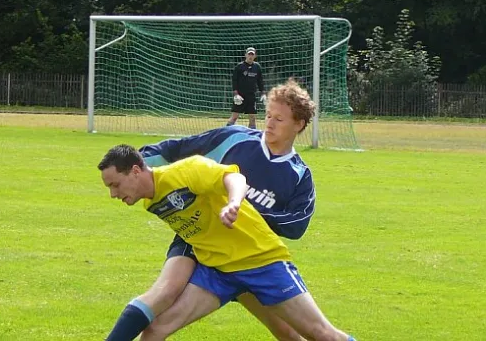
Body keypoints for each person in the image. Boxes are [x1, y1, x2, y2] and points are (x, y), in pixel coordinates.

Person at [105, 79, 321, 341]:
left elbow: (296, 225)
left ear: (299, 125)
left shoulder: (298, 175)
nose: (269, 123)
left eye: (279, 119)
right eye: (267, 116)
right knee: (165, 293)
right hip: (196, 233)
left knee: (286, 332)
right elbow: (179, 147)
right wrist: (133, 167)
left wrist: (242, 210)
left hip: (246, 251)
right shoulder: (235, 138)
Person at [98, 145, 355, 341]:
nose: (113, 194)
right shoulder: (150, 202)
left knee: (320, 335)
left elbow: (235, 179)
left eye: (115, 184)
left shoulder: (186, 171)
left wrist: (233, 203)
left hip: (261, 262)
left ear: (135, 171)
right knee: (155, 331)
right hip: (217, 272)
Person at [227, 46, 266, 129]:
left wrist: (263, 93)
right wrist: (236, 94)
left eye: (252, 54)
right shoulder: (239, 67)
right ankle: (225, 134)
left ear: (255, 56)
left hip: (251, 96)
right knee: (234, 117)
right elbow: (234, 81)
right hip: (240, 96)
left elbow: (260, 81)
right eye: (249, 54)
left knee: (252, 118)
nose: (250, 56)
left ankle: (252, 137)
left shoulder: (257, 67)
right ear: (245, 55)